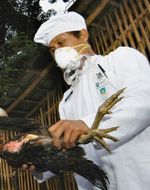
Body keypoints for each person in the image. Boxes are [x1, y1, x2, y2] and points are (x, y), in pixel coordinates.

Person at [29, 11, 150, 189]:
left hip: (139, 178)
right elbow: (73, 150)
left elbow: (143, 100)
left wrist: (87, 124)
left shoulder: (118, 60)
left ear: (83, 35)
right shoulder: (66, 102)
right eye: (53, 49)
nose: (57, 52)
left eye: (61, 42)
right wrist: (39, 160)